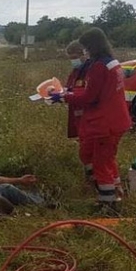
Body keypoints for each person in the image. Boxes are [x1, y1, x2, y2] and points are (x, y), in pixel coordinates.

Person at [50, 28, 131, 215]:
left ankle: (108, 205)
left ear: (92, 46)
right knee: (108, 159)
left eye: (85, 48)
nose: (84, 52)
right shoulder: (112, 63)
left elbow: (89, 96)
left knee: (101, 163)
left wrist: (64, 97)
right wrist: (67, 93)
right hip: (117, 120)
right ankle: (117, 192)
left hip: (104, 124)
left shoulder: (98, 67)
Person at [63, 40, 91, 184]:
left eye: (74, 57)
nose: (73, 61)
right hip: (79, 118)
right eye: (70, 58)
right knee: (84, 150)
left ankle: (94, 180)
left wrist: (65, 96)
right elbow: (69, 87)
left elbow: (86, 95)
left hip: (90, 118)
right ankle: (90, 178)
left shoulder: (91, 70)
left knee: (89, 152)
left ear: (83, 53)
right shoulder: (76, 71)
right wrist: (59, 93)